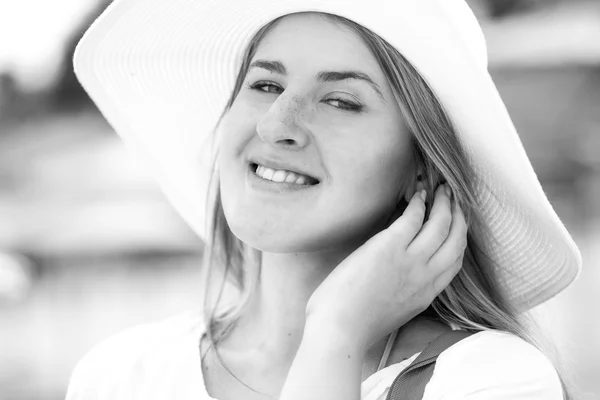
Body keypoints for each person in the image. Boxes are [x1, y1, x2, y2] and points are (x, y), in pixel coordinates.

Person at [66, 1, 582, 399]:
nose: (276, 125)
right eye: (265, 84)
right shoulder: (120, 373)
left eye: (340, 101)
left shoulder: (489, 380)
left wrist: (336, 336)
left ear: (420, 170)